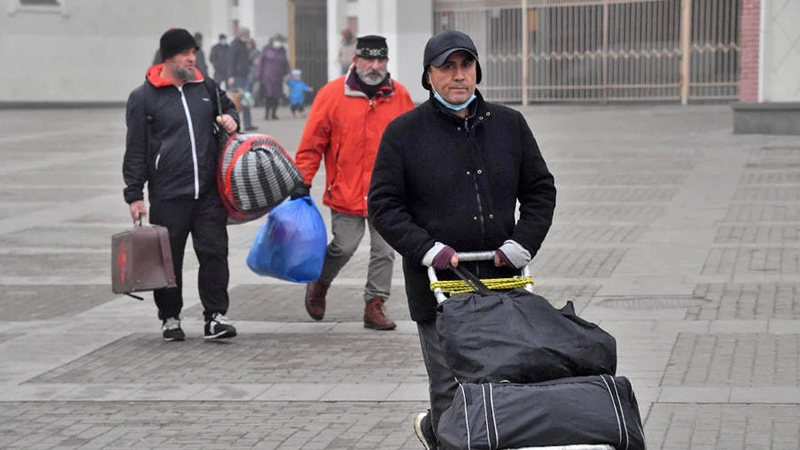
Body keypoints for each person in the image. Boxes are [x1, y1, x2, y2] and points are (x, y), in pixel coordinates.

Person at [367, 30, 557, 449]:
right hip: (439, 287)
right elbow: (383, 205)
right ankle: (445, 431)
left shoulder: (509, 125)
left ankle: (447, 432)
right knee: (451, 387)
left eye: (465, 65)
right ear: (428, 76)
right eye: (446, 67)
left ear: (477, 70)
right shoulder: (404, 133)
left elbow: (540, 189)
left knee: (507, 380)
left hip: (501, 278)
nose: (458, 76)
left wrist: (521, 243)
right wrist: (428, 249)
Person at [123, 28, 241, 342]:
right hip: (168, 195)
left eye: (194, 53)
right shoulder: (144, 98)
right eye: (186, 53)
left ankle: (215, 317)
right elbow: (136, 148)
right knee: (168, 261)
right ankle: (170, 317)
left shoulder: (206, 87)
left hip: (208, 193)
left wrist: (231, 119)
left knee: (215, 254)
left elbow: (228, 110)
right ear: (168, 57)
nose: (192, 59)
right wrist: (134, 194)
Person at [292, 35, 415, 331]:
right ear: (355, 60)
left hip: (387, 193)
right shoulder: (332, 94)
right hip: (345, 189)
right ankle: (320, 283)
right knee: (344, 246)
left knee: (385, 250)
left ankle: (374, 305)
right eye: (368, 59)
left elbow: (415, 145)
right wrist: (302, 181)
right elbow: (312, 143)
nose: (374, 66)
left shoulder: (400, 97)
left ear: (386, 62)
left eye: (380, 60)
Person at [228, 27, 257, 131]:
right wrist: (231, 76)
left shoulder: (244, 45)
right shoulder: (235, 46)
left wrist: (251, 63)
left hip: (245, 76)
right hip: (238, 77)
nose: (247, 38)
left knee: (246, 100)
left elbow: (245, 60)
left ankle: (248, 124)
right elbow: (231, 61)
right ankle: (235, 124)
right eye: (245, 36)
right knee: (239, 102)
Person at [258, 34, 290, 120]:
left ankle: (274, 114)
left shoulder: (282, 50)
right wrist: (259, 75)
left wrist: (288, 72)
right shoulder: (266, 49)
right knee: (269, 95)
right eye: (277, 41)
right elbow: (261, 62)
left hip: (278, 77)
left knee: (277, 95)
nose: (279, 43)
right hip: (268, 76)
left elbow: (285, 62)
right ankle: (267, 113)